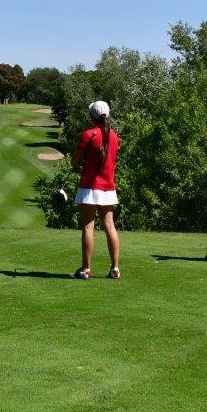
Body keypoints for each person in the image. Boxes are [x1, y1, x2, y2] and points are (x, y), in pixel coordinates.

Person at [71, 100, 121, 279]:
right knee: (110, 225)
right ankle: (115, 268)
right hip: (108, 186)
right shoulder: (115, 136)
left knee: (88, 226)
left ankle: (85, 269)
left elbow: (75, 160)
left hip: (89, 186)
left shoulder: (88, 134)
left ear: (91, 116)